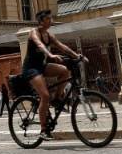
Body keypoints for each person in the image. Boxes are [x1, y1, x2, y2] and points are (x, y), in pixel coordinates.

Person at [23, 9, 86, 141]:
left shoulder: (49, 35)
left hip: (42, 66)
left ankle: (57, 99)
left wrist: (77, 56)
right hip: (31, 69)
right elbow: (40, 45)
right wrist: (50, 55)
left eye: (50, 19)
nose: (51, 21)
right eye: (48, 19)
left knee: (64, 70)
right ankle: (43, 130)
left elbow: (62, 46)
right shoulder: (34, 33)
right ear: (41, 21)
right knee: (45, 96)